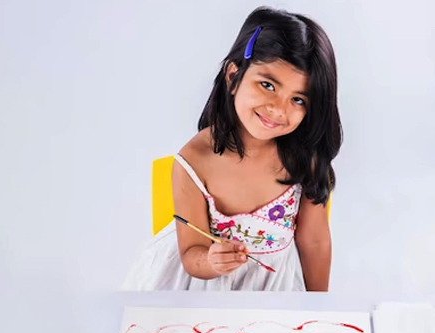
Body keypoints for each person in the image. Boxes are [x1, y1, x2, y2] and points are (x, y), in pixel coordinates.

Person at [122, 6, 342, 291]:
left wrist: (317, 307)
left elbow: (314, 242)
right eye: (267, 85)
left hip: (273, 290)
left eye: (298, 99)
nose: (278, 109)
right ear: (233, 77)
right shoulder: (194, 161)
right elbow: (191, 253)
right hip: (202, 291)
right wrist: (211, 261)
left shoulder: (304, 160)